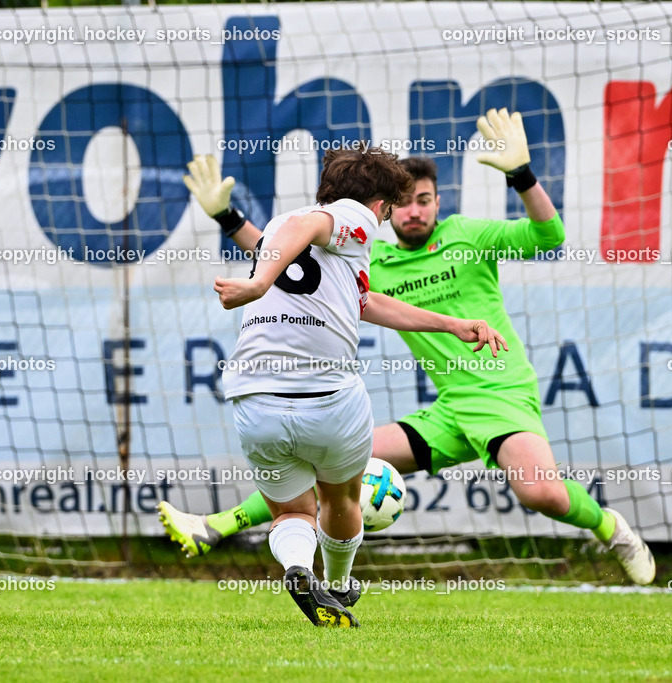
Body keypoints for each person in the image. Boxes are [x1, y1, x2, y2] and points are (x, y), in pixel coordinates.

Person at [160, 109, 656, 587]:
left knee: (540, 492)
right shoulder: (376, 257)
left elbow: (549, 235)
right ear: (388, 210)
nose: (415, 210)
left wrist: (522, 175)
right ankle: (217, 526)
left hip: (500, 392)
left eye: (426, 200)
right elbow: (293, 261)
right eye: (407, 203)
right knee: (335, 465)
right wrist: (228, 217)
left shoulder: (469, 237)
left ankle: (611, 528)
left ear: (438, 203)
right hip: (449, 411)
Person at [206, 146, 508, 628]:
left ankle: (300, 567)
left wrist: (452, 325)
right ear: (379, 202)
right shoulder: (348, 215)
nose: (389, 218)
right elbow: (314, 227)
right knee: (342, 498)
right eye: (391, 206)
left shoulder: (297, 233)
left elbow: (364, 302)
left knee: (291, 511)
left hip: (253, 398)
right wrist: (260, 283)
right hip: (326, 398)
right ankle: (341, 583)